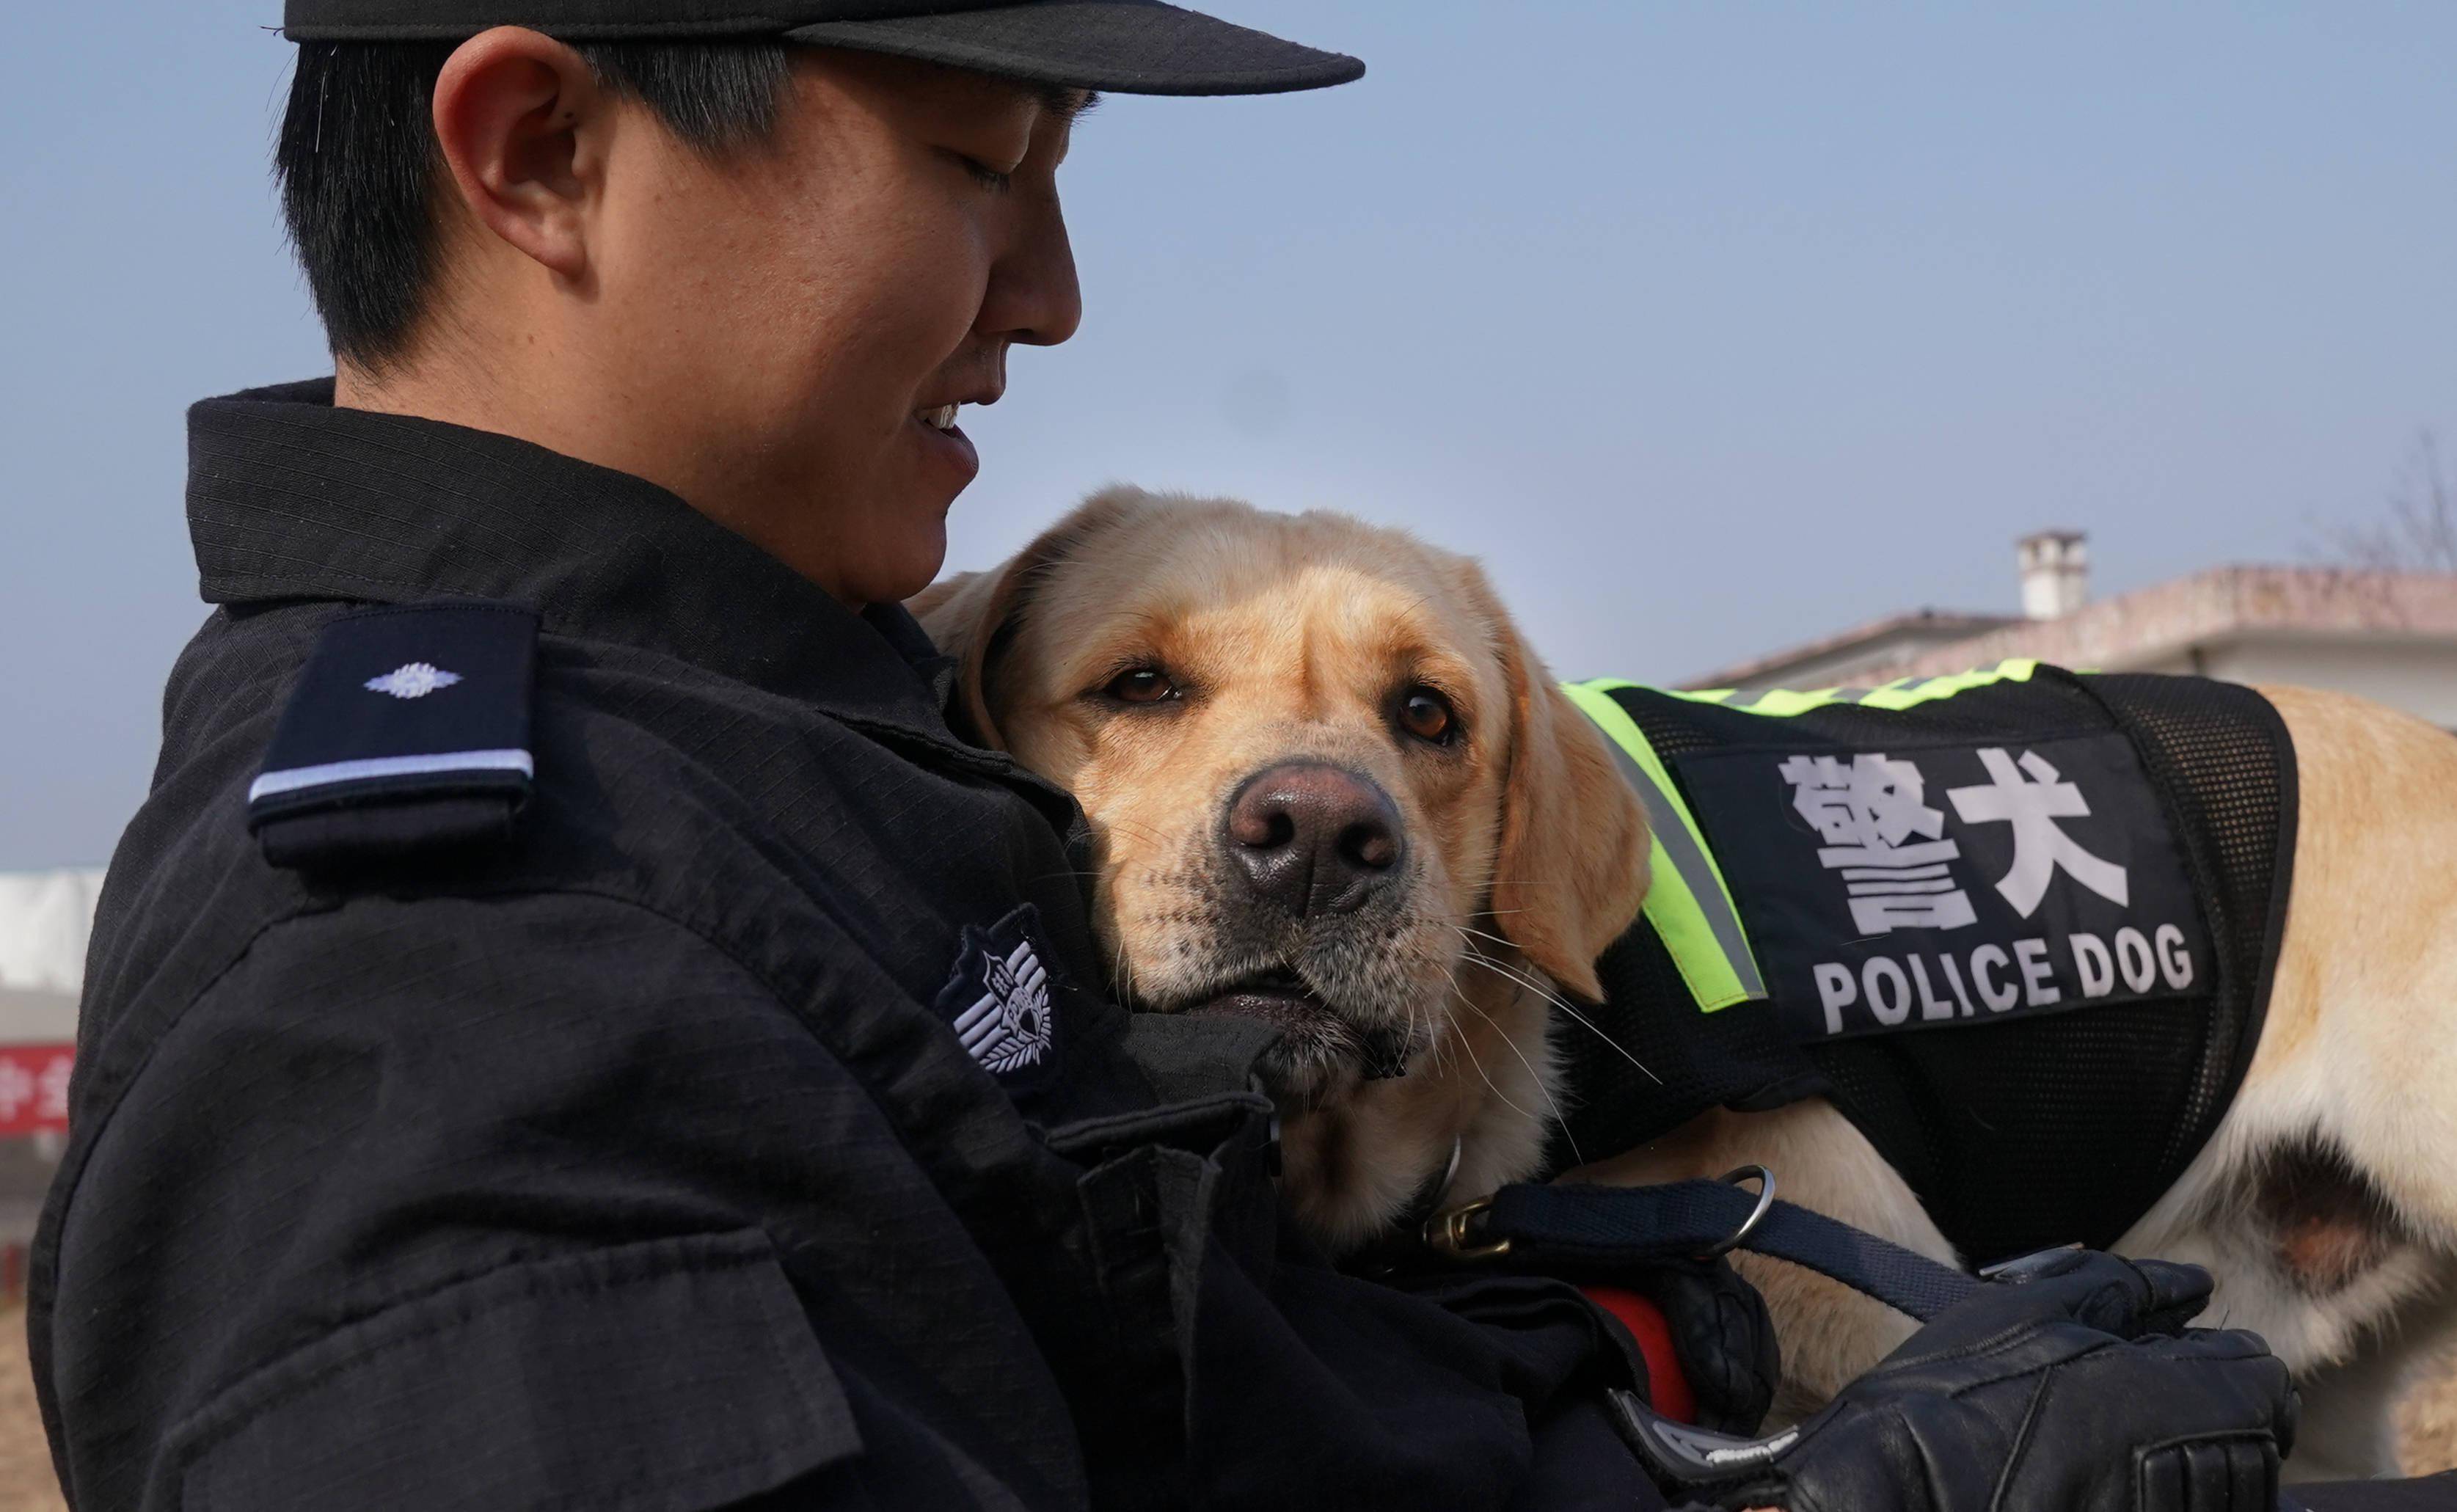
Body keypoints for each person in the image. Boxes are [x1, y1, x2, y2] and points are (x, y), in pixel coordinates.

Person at [26, 3, 2376, 1508]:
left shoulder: (783, 748)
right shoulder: (441, 993)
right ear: (539, 149)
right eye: (978, 165)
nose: (1053, 295)